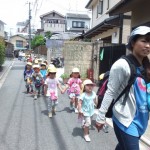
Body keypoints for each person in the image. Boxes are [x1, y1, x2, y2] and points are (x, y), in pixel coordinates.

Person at [95, 26, 150, 150]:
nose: (148, 45)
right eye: (144, 41)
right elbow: (110, 92)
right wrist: (100, 116)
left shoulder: (146, 65)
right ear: (133, 42)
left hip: (141, 119)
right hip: (125, 118)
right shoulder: (122, 65)